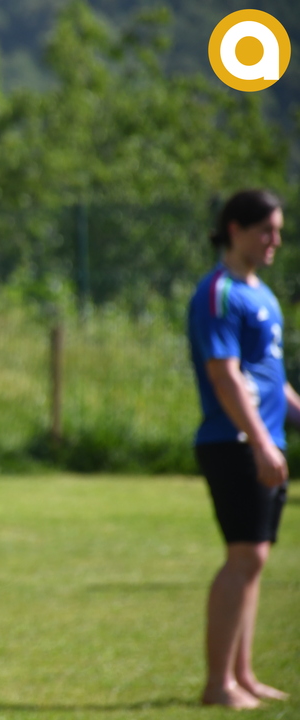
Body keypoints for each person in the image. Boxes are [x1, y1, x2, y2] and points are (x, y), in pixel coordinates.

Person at [187, 189, 297, 709]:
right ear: (235, 229)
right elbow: (225, 376)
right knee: (243, 556)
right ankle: (218, 684)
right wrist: (259, 442)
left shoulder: (263, 294)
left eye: (279, 230)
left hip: (262, 443)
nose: (276, 240)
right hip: (234, 443)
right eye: (266, 230)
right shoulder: (219, 293)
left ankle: (243, 676)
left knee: (254, 559)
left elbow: (272, 381)